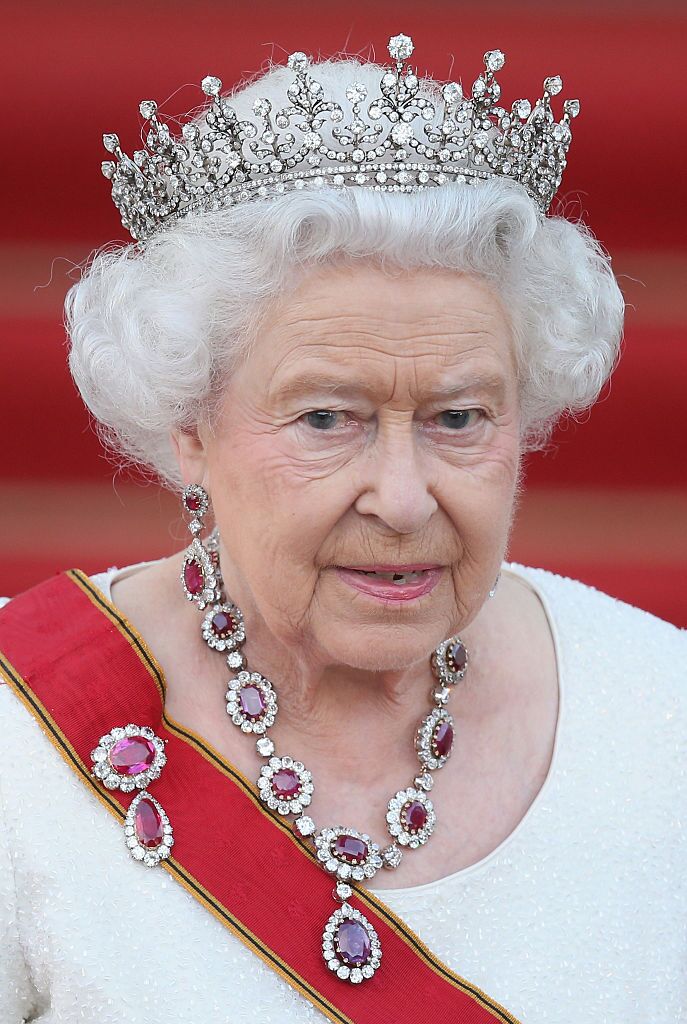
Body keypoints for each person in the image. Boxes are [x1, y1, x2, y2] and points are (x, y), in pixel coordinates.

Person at [0, 32, 684, 1024]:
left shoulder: (665, 719)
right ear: (193, 427)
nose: (404, 500)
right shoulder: (18, 737)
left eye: (458, 418)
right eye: (328, 418)